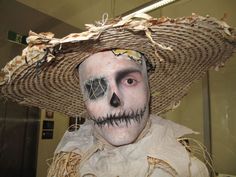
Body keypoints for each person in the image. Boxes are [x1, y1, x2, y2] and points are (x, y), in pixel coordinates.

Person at [0, 13, 235, 177]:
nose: (115, 100)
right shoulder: (69, 164)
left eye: (130, 80)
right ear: (84, 100)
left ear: (149, 90)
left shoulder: (187, 170)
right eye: (95, 87)